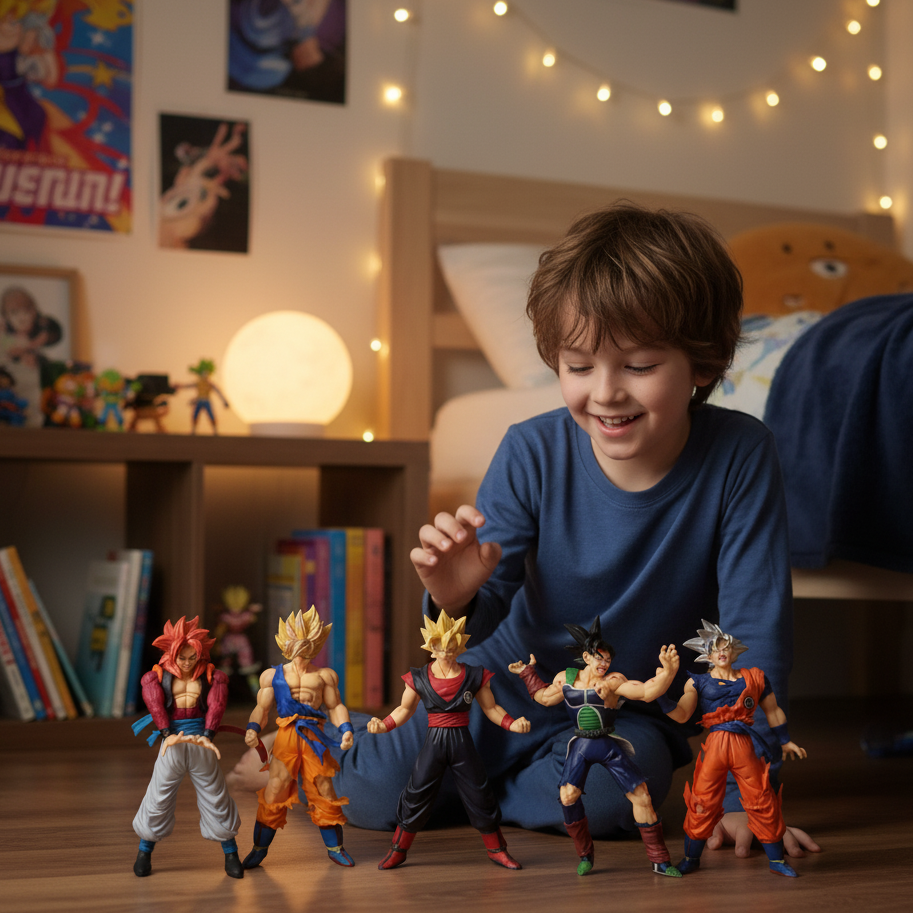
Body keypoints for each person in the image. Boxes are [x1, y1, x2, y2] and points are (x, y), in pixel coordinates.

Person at [229, 202, 819, 861]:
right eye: (579, 366)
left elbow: (754, 634)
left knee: (613, 801)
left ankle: (474, 787)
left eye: (638, 366)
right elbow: (476, 622)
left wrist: (744, 799)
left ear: (703, 364)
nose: (605, 392)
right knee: (369, 796)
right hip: (502, 684)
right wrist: (454, 596)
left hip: (624, 708)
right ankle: (328, 741)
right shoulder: (530, 450)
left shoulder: (741, 455)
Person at [509, 619, 681, 876]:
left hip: (607, 744)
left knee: (642, 796)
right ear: (586, 657)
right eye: (600, 658)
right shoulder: (566, 679)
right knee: (568, 797)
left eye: (608, 660)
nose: (605, 664)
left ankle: (660, 861)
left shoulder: (613, 681)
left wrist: (668, 672)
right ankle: (585, 855)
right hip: (580, 745)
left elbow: (647, 692)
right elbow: (543, 698)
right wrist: (527, 673)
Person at [368, 610, 530, 870]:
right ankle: (398, 849)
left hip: (461, 741)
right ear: (431, 645)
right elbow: (404, 709)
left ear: (459, 644)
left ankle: (497, 850)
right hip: (434, 742)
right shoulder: (419, 677)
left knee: (479, 792)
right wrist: (384, 724)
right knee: (417, 792)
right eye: (440, 645)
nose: (445, 650)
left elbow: (491, 708)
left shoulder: (474, 675)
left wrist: (512, 723)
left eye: (451, 644)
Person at [664, 621, 807, 877]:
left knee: (762, 799)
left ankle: (776, 861)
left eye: (726, 647)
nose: (721, 652)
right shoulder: (697, 682)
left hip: (743, 746)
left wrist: (785, 740)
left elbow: (773, 710)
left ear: (733, 651)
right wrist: (659, 695)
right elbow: (683, 713)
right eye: (715, 649)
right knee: (702, 802)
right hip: (716, 746)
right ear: (708, 656)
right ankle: (690, 858)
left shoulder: (754, 678)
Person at [241, 607, 355, 869]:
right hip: (287, 735)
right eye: (297, 640)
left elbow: (335, 706)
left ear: (316, 643)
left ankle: (335, 849)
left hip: (314, 736)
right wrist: (253, 728)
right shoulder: (272, 676)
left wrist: (346, 728)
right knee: (275, 788)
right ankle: (259, 849)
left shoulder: (324, 675)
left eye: (308, 641)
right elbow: (262, 708)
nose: (302, 646)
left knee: (323, 788)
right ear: (286, 642)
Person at [131, 616, 243, 879]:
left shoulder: (212, 677)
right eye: (182, 657)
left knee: (216, 796)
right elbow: (155, 705)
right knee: (158, 796)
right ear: (172, 653)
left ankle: (231, 853)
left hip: (201, 741)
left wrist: (208, 735)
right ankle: (144, 852)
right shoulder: (157, 677)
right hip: (172, 742)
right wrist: (166, 734)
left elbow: (216, 706)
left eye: (193, 657)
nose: (187, 662)